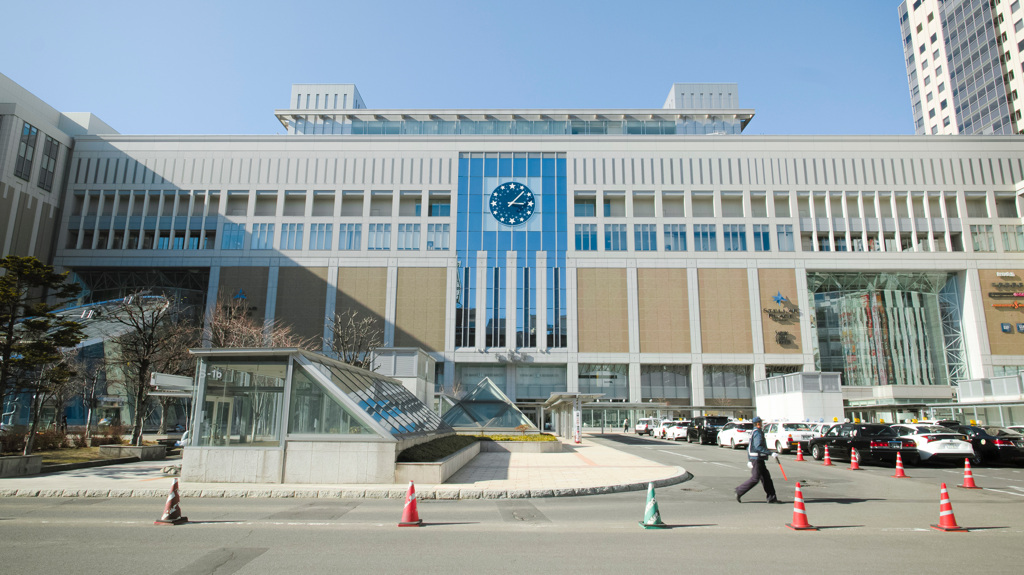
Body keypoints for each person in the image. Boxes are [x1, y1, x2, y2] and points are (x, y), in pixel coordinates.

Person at [735, 416, 780, 503]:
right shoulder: (758, 433)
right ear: (758, 424)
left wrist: (749, 459)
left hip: (757, 458)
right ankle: (739, 491)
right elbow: (758, 446)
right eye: (760, 423)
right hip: (757, 459)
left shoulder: (754, 432)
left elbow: (749, 447)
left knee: (766, 478)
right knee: (755, 478)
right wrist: (771, 453)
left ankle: (772, 498)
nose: (762, 424)